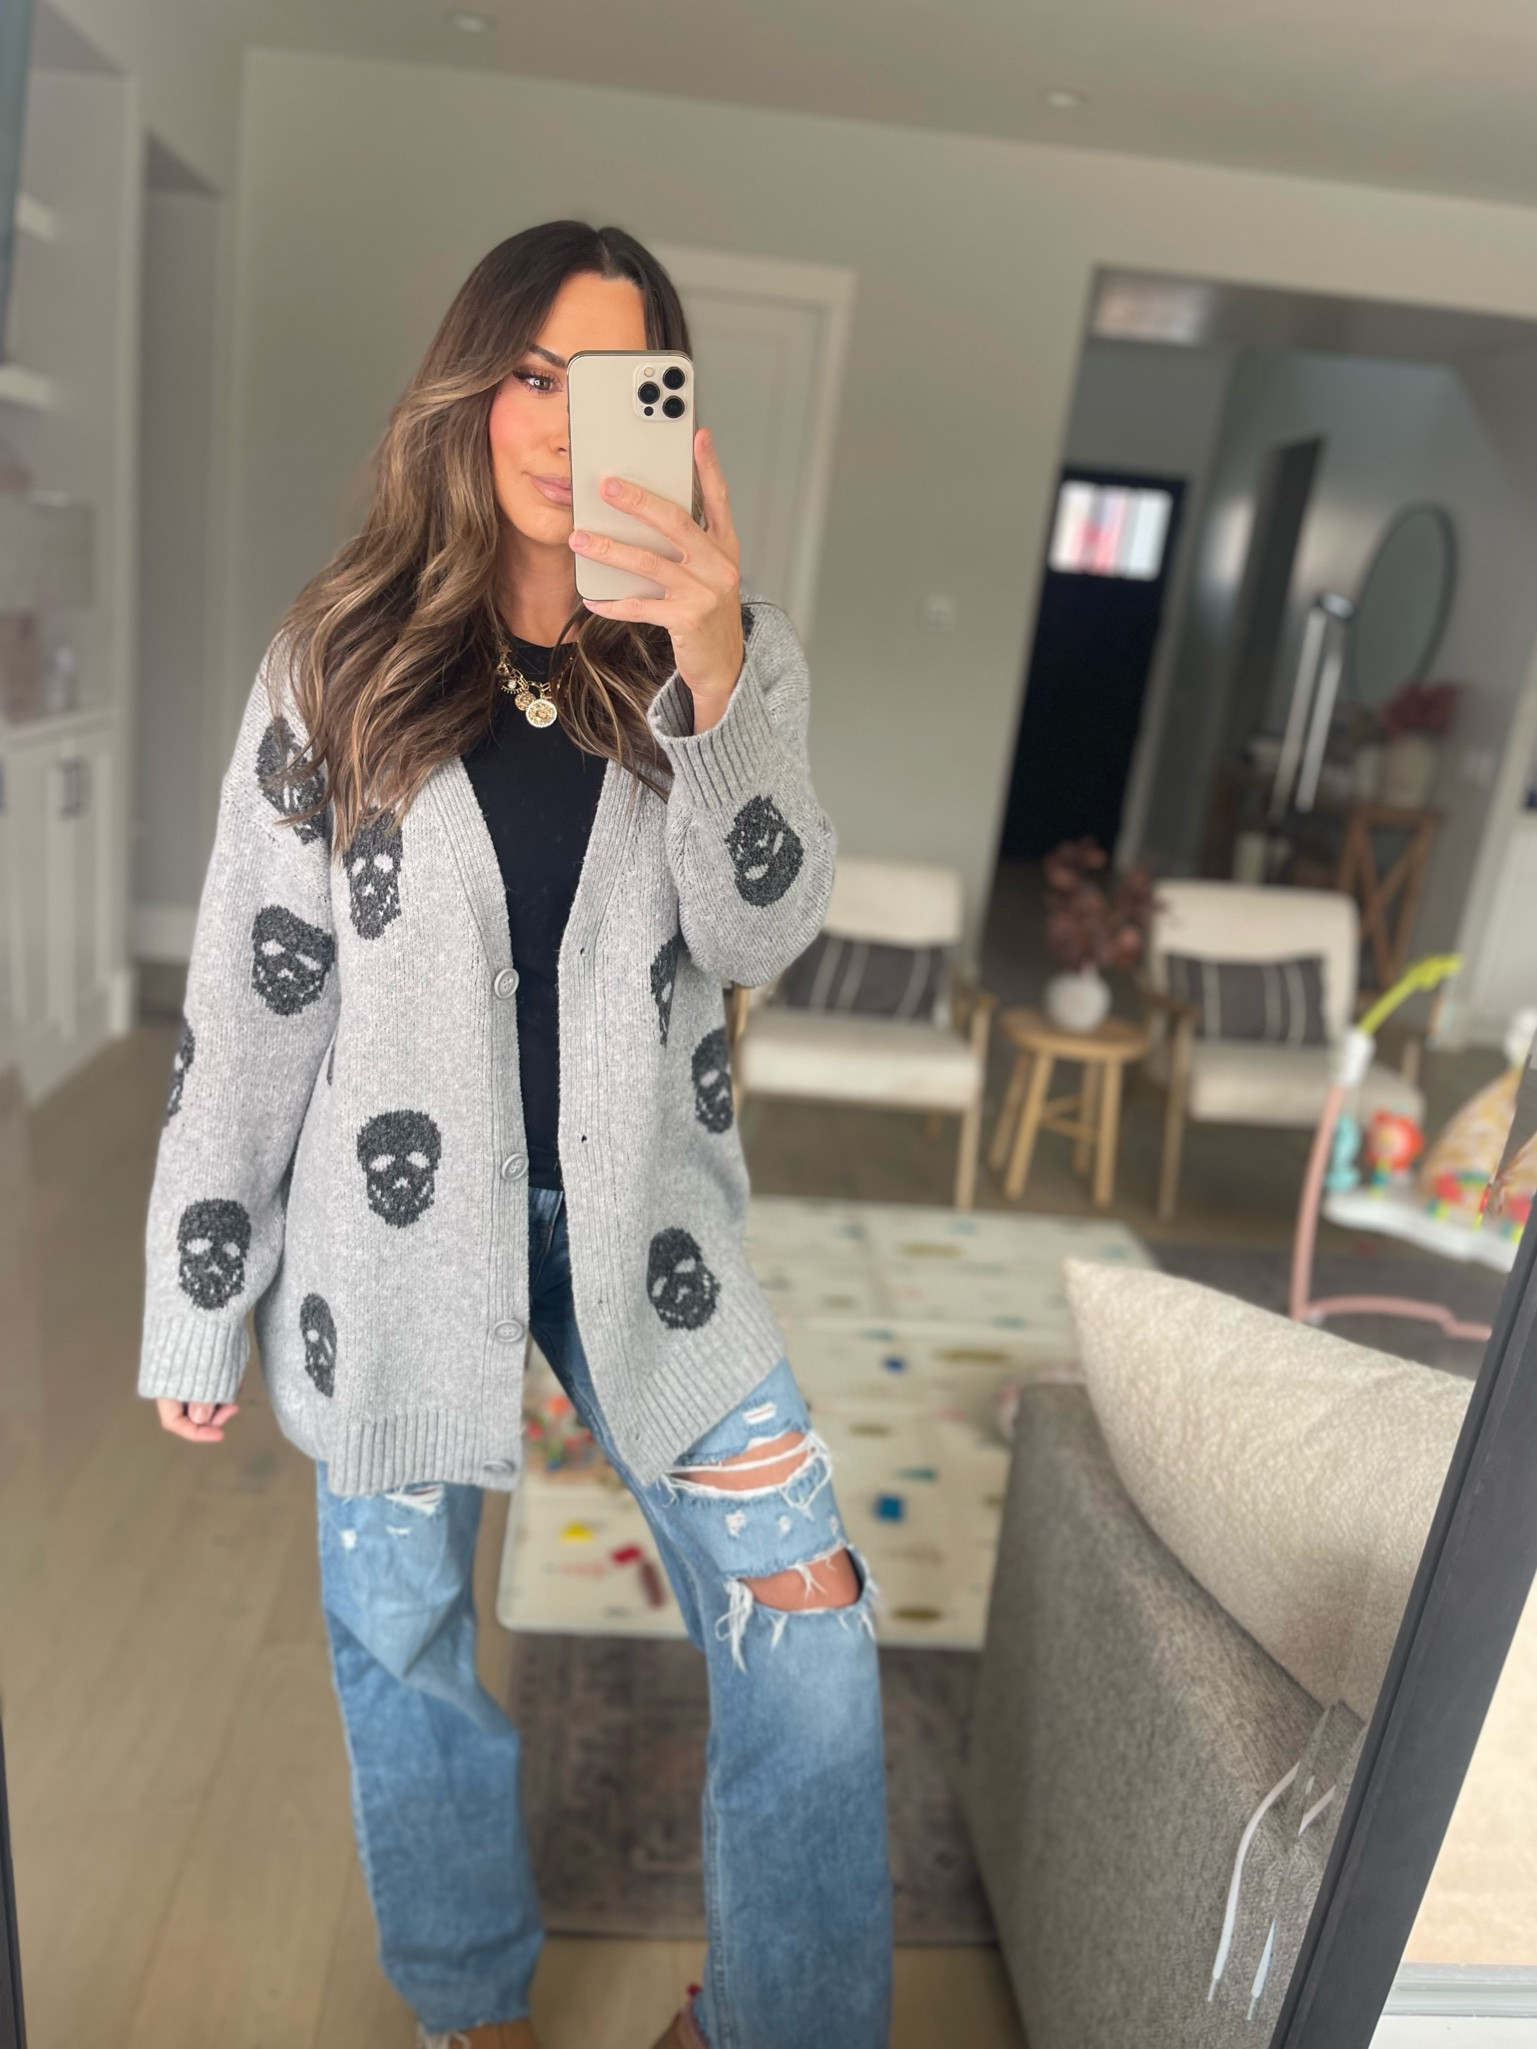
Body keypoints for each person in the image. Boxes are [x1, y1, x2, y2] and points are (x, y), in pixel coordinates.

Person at [137, 220, 891, 2049]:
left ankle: (774, 2025)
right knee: (401, 1637)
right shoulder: (339, 659)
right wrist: (201, 1286)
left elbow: (758, 935)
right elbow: (254, 995)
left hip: (653, 1231)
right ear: (470, 392)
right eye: (532, 375)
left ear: (674, 413)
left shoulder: (732, 657)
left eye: (616, 382)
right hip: (390, 1251)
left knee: (808, 1614)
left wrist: (708, 659)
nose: (563, 422)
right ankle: (469, 2005)